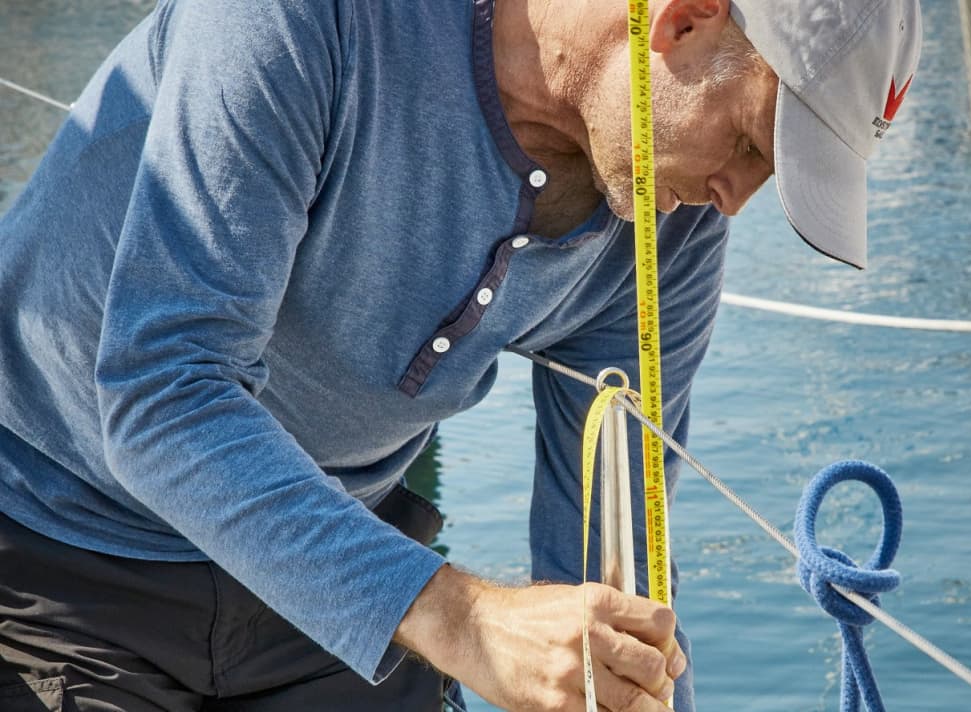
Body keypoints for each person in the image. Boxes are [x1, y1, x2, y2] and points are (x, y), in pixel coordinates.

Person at [0, 0, 921, 710]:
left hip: (335, 570)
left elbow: (611, 561)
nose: (732, 200)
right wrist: (468, 620)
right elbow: (165, 389)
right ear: (682, 19)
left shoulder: (667, 227)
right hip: (60, 550)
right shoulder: (306, 21)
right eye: (753, 146)